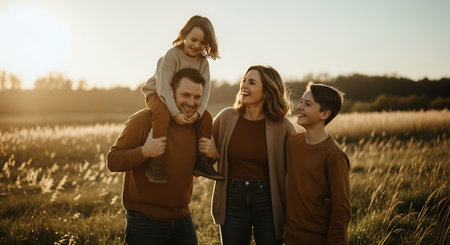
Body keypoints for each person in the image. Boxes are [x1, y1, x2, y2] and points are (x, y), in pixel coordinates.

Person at [107, 68, 212, 245]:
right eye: (185, 95)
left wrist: (212, 155)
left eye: (197, 97)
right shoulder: (144, 120)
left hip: (183, 221)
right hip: (145, 224)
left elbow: (193, 171)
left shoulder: (196, 126)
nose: (191, 102)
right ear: (169, 94)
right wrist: (145, 152)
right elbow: (113, 160)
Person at [198, 65, 296, 244]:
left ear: (267, 91)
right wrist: (214, 154)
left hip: (268, 201)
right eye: (244, 81)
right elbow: (202, 158)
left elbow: (299, 166)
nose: (244, 86)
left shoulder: (283, 126)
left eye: (251, 82)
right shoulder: (226, 117)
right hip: (232, 199)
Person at [141, 15, 223, 183]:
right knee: (162, 115)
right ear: (184, 35)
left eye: (202, 43)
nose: (197, 46)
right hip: (157, 93)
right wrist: (176, 114)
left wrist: (198, 112)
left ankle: (201, 161)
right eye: (193, 39)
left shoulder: (203, 63)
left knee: (206, 117)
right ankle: (155, 163)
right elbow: (164, 88)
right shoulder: (172, 55)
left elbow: (205, 90)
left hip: (185, 99)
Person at [285, 82, 351, 244]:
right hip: (291, 238)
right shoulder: (292, 143)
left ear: (324, 114)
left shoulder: (334, 155)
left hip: (318, 239)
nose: (299, 107)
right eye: (300, 101)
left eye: (307, 104)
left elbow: (341, 209)